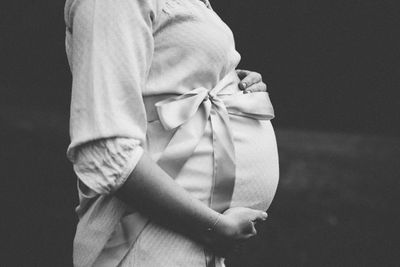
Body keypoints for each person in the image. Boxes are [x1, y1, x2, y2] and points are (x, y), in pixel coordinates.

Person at [64, 0, 279, 266]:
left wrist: (230, 83)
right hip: (142, 242)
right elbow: (106, 149)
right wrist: (211, 227)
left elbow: (171, 73)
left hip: (190, 243)